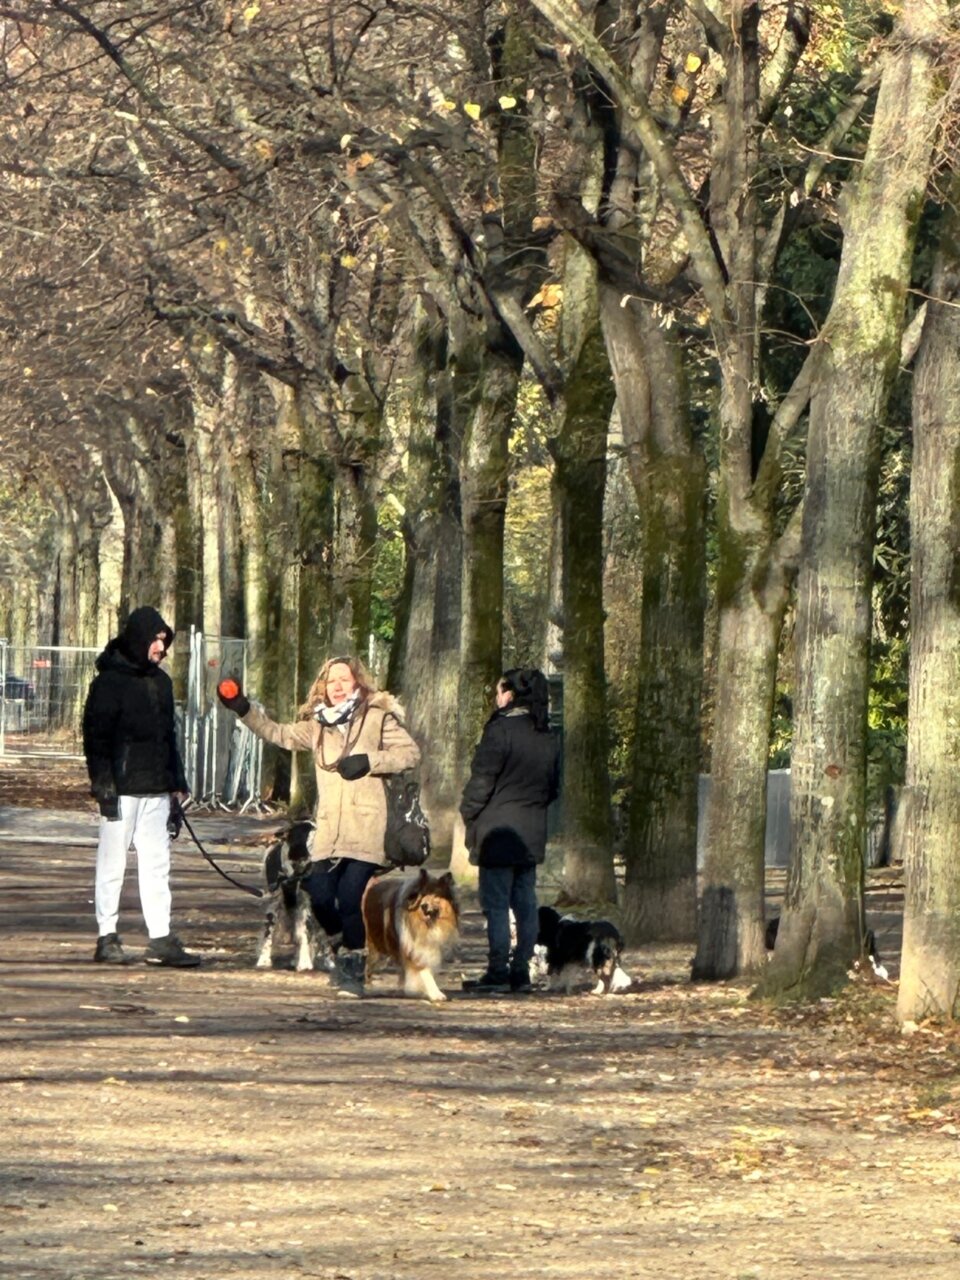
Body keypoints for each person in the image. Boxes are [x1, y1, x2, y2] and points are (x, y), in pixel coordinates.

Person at [217, 655, 420, 996]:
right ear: (322, 687)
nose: (337, 686)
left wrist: (371, 761)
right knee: (322, 897)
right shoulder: (317, 726)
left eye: (344, 679)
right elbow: (277, 733)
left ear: (358, 682)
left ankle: (354, 969)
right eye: (331, 680)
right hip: (327, 829)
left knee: (350, 895)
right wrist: (242, 708)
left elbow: (411, 754)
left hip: (366, 825)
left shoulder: (376, 717)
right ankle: (342, 946)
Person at [82, 605, 199, 968]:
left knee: (157, 864)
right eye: (156, 640)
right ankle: (107, 935)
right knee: (112, 862)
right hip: (120, 788)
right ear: (140, 638)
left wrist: (177, 783)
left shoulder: (162, 683)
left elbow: (169, 737)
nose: (161, 649)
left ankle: (160, 937)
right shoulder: (109, 682)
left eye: (164, 642)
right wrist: (102, 784)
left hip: (156, 789)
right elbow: (96, 737)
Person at [459, 667, 560, 993]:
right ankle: (521, 970)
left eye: (499, 691)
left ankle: (498, 969)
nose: (495, 697)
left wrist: (468, 813)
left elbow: (481, 782)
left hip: (498, 830)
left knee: (497, 904)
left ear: (511, 695)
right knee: (525, 902)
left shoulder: (500, 731)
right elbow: (553, 788)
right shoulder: (547, 735)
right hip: (530, 830)